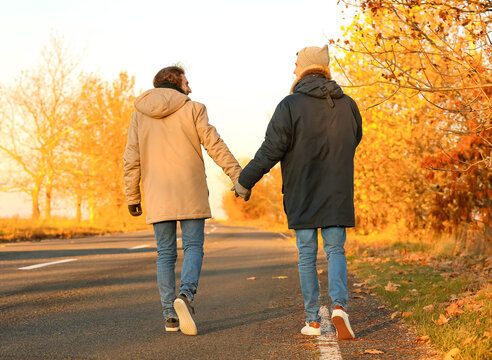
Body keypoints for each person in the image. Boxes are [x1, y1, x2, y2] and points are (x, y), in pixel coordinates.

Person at [233, 45, 362, 339]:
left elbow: (271, 149)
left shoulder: (290, 105)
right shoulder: (348, 104)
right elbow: (355, 138)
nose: (293, 70)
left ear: (304, 67)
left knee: (307, 254)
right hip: (337, 191)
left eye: (295, 64)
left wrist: (244, 181)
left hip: (302, 191)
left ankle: (313, 321)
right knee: (335, 250)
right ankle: (340, 307)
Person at [124, 66, 247, 335]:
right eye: (187, 83)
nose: (190, 88)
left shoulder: (138, 115)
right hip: (189, 189)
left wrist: (132, 195)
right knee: (193, 246)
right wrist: (238, 176)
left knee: (165, 254)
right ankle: (186, 297)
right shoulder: (194, 108)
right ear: (175, 83)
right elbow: (214, 144)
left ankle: (170, 314)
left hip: (157, 192)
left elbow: (132, 158)